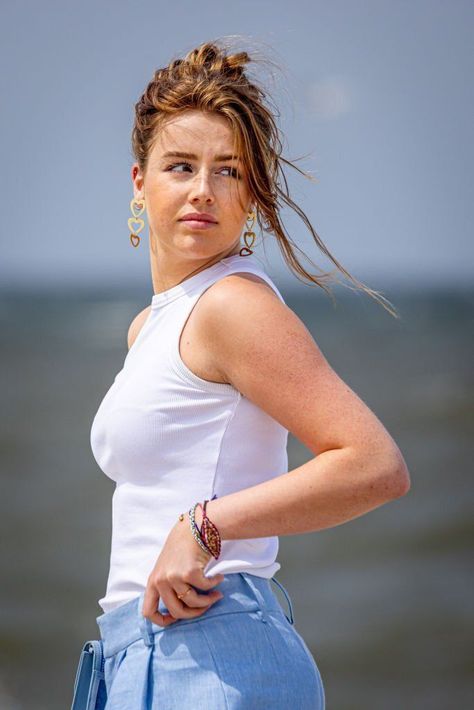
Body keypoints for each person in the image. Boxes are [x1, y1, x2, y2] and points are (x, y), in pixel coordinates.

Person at [89, 39, 411, 709]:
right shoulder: (153, 326)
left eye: (229, 171)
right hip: (138, 657)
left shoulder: (234, 305)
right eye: (181, 166)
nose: (203, 190)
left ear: (253, 198)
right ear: (139, 183)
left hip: (215, 658)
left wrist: (204, 525)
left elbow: (373, 464)